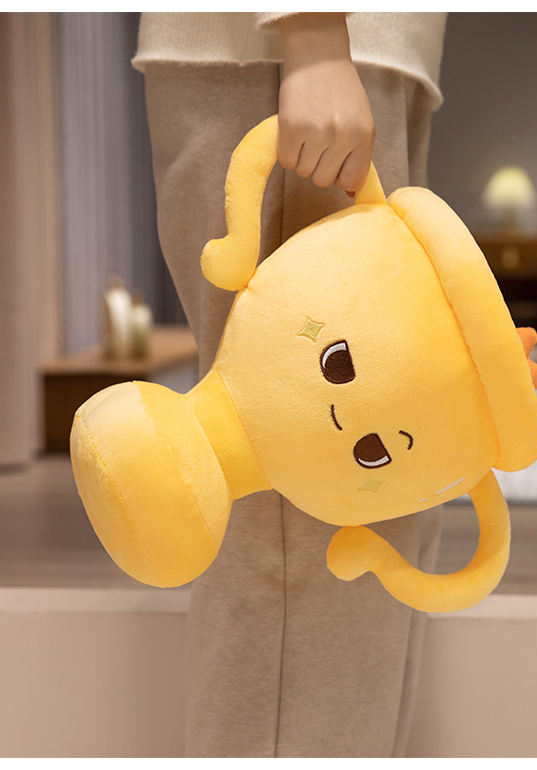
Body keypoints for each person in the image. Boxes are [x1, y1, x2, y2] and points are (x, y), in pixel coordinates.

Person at [132, 11, 448, 757]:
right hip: (292, 50)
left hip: (361, 51)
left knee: (374, 492)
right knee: (305, 510)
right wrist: (312, 34)